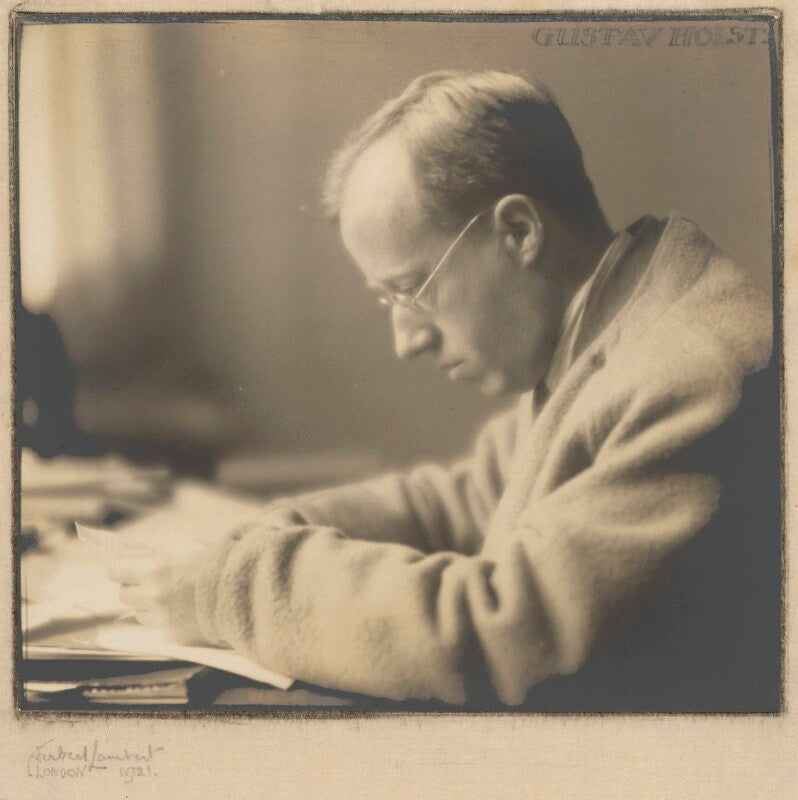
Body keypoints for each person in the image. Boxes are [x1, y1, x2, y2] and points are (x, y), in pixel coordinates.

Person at [108, 71, 779, 710]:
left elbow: (509, 632)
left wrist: (236, 587)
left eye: (411, 290)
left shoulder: (688, 373)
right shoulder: (613, 316)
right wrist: (260, 534)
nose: (406, 341)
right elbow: (456, 506)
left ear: (518, 232)